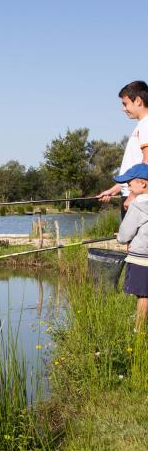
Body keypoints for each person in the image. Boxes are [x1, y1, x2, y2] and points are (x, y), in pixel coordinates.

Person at [98, 81, 148, 217]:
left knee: (135, 238)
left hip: (136, 199)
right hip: (133, 195)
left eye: (125, 104)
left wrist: (132, 195)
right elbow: (135, 171)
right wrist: (114, 190)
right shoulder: (141, 125)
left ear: (138, 101)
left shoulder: (146, 125)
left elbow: (146, 163)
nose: (123, 109)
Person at [115, 163, 148, 330]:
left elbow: (124, 235)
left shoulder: (138, 204)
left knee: (143, 294)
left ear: (143, 183)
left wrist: (120, 237)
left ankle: (139, 330)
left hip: (142, 257)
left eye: (130, 183)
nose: (128, 186)